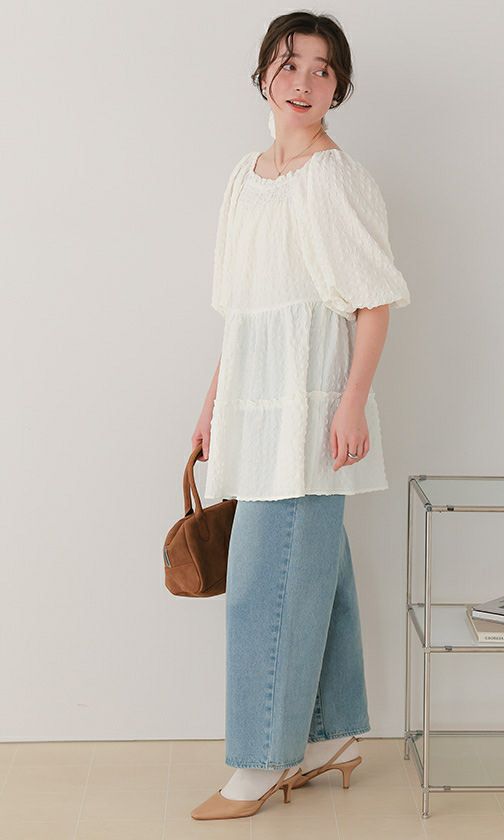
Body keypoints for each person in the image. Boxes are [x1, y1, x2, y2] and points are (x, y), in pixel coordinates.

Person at [189, 11, 410, 820]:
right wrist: (214, 403)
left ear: (339, 87)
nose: (305, 81)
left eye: (323, 69)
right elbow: (245, 312)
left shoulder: (334, 178)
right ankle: (333, 736)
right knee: (316, 573)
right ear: (263, 77)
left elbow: (373, 302)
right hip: (258, 403)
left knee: (263, 584)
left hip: (313, 409)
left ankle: (259, 762)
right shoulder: (244, 178)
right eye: (290, 65)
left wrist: (350, 404)